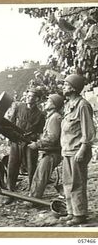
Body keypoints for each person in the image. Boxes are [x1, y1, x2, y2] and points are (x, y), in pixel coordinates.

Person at [59, 74, 96, 225]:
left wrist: (83, 149)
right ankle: (71, 211)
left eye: (66, 85)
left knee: (77, 183)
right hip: (67, 150)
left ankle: (80, 214)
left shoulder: (82, 105)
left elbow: (89, 131)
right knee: (67, 183)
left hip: (77, 151)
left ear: (73, 88)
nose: (63, 87)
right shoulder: (69, 105)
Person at [4, 88, 46, 205]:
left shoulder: (40, 114)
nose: (29, 97)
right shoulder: (18, 107)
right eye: (28, 95)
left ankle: (32, 194)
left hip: (29, 143)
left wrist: (34, 141)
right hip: (16, 141)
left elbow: (39, 132)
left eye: (32, 96)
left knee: (31, 167)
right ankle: (9, 193)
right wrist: (9, 137)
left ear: (37, 99)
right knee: (12, 166)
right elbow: (11, 123)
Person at [27, 94, 64, 202]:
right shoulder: (51, 117)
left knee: (40, 176)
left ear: (54, 105)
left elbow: (52, 138)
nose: (45, 103)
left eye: (48, 101)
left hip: (52, 153)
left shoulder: (55, 118)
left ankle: (34, 200)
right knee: (39, 175)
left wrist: (37, 144)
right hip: (50, 152)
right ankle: (33, 198)